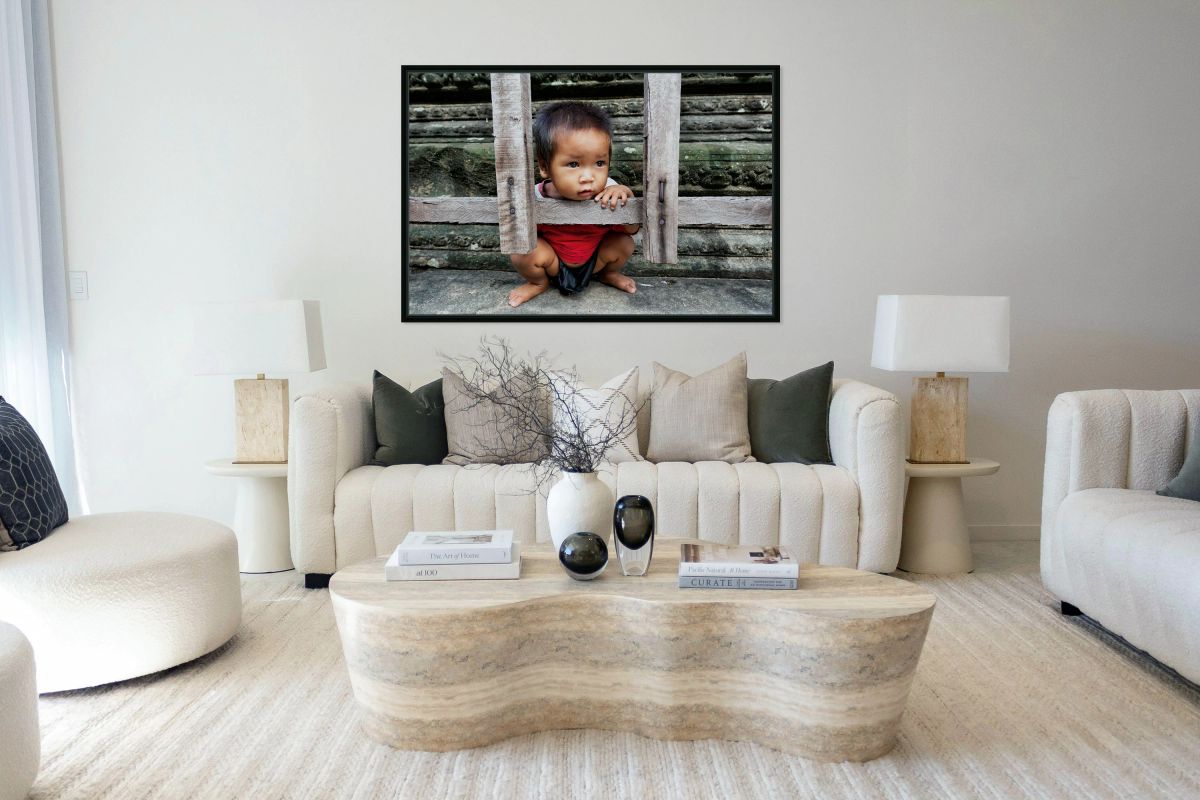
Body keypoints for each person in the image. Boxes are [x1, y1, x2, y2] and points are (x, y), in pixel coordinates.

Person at [507, 100, 641, 308]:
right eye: (573, 164)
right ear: (544, 166)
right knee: (521, 249)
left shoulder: (609, 190)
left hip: (596, 261)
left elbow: (631, 229)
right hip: (552, 263)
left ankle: (609, 274)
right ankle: (538, 282)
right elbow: (517, 230)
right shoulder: (536, 196)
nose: (588, 177)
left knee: (623, 243)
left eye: (599, 163)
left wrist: (625, 195)